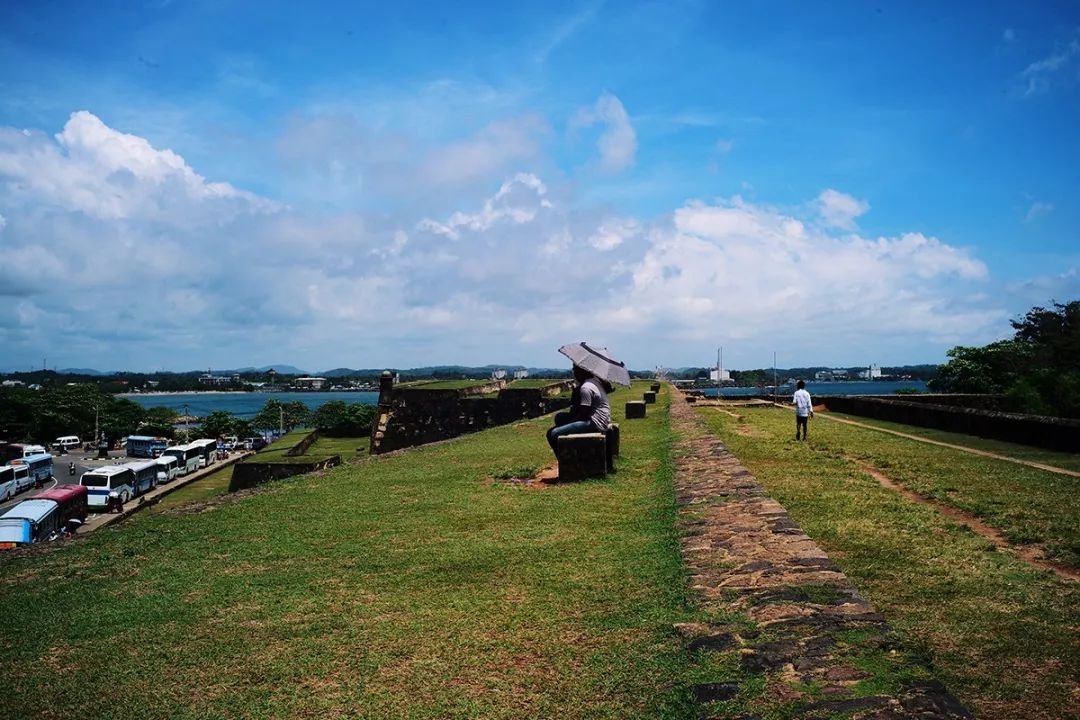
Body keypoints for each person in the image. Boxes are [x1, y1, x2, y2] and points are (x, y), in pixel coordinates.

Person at [547, 365, 612, 455]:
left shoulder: (586, 388)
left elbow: (584, 415)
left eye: (575, 370)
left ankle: (566, 461)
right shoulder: (594, 381)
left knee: (553, 433)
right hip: (602, 419)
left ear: (581, 371)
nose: (574, 373)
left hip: (594, 423)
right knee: (559, 417)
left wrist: (571, 422)